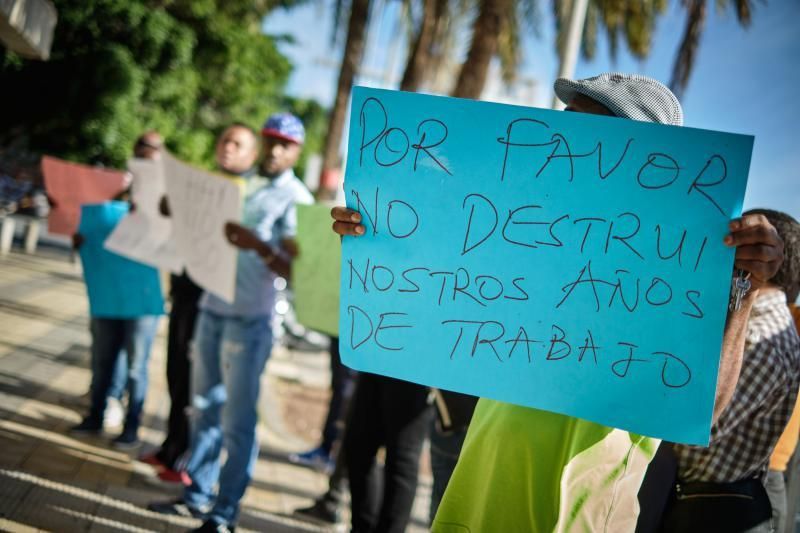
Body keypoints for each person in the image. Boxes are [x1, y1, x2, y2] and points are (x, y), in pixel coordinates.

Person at [330, 72, 787, 531]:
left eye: (593, 132)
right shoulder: (520, 229)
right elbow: (431, 278)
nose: (568, 140)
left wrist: (744, 289)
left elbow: (703, 411)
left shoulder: (682, 268)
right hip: (479, 484)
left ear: (649, 159)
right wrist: (375, 231)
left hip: (578, 510)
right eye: (568, 121)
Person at [149, 114, 313, 533]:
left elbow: (300, 270)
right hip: (211, 310)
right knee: (202, 408)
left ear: (297, 150)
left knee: (237, 422)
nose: (275, 150)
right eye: (270, 141)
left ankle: (224, 514)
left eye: (285, 144)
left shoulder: (298, 199)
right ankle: (196, 496)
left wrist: (259, 246)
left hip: (249, 320)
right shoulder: (239, 185)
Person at [661, 209, 800, 533]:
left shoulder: (757, 336)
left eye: (738, 240)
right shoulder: (764, 327)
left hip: (710, 511)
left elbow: (694, 433)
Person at [140, 124, 260, 483]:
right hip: (187, 291)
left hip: (216, 302)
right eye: (224, 140)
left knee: (201, 387)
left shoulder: (249, 194)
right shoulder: (204, 183)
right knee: (176, 373)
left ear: (251, 155)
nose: (227, 148)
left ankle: (188, 461)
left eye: (237, 144)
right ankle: (172, 447)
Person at [70, 132, 164, 449]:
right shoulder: (112, 192)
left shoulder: (167, 198)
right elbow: (89, 227)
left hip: (141, 300)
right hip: (107, 295)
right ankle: (95, 417)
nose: (145, 157)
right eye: (140, 151)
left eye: (152, 152)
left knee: (137, 366)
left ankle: (131, 428)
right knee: (102, 359)